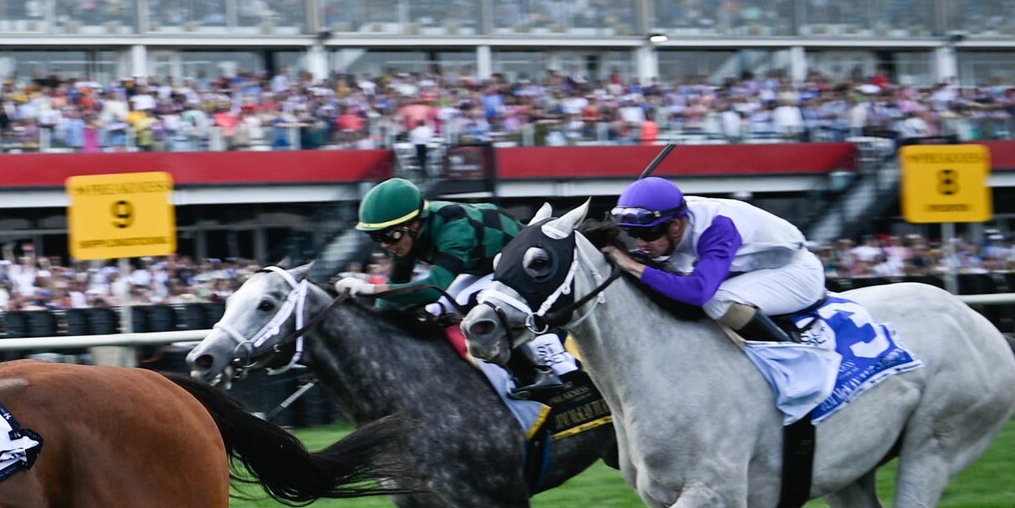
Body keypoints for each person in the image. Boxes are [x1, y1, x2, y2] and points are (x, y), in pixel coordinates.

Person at [341, 177, 594, 406]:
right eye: (378, 239)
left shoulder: (454, 229)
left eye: (391, 236)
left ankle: (538, 372)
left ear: (415, 224)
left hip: (516, 265)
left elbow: (434, 288)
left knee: (461, 300)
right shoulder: (407, 240)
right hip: (483, 265)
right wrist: (374, 327)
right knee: (434, 311)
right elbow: (396, 290)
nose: (386, 245)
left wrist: (370, 289)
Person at [603, 177, 826, 343]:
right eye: (633, 234)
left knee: (717, 301)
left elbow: (698, 293)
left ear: (675, 226)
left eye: (649, 234)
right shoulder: (673, 215)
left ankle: (793, 354)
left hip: (795, 273)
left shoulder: (717, 229)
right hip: (755, 271)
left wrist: (632, 265)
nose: (640, 243)